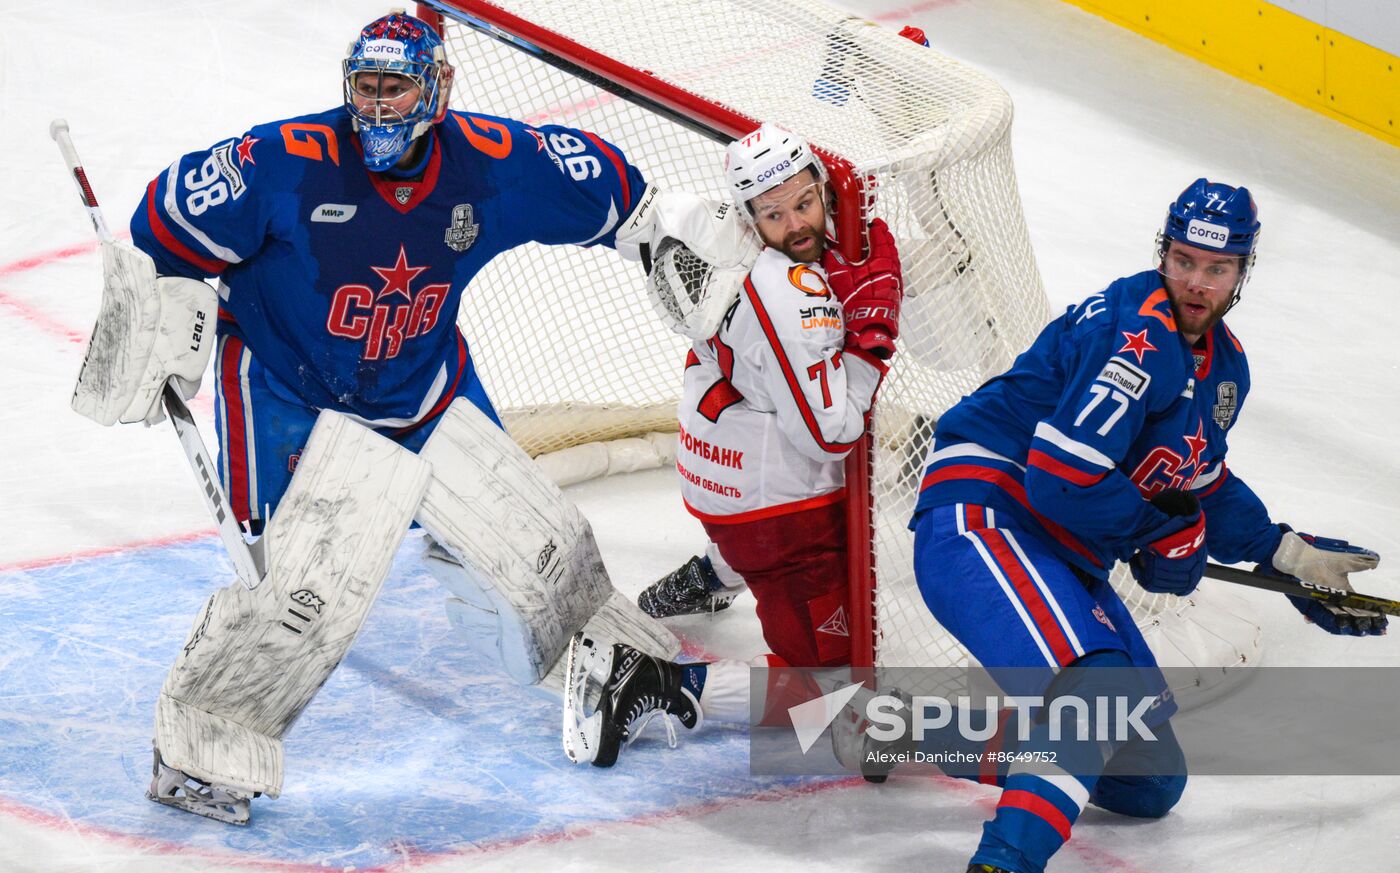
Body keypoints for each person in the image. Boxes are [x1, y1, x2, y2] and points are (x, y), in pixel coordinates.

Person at [90, 10, 749, 824]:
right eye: (364, 84)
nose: (376, 103)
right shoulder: (285, 162)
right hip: (286, 388)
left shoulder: (489, 164)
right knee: (303, 589)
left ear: (436, 87)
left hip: (423, 386)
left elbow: (608, 188)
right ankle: (201, 747)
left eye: (394, 85)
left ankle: (620, 668)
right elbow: (163, 220)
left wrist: (656, 228)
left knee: (549, 549)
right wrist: (158, 311)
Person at [904, 178, 1384, 873]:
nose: (1197, 282)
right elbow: (1061, 478)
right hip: (987, 517)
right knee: (1094, 697)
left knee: (1150, 773)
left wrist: (1285, 554)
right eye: (1184, 261)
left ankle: (897, 731)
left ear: (1242, 273)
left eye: (1217, 269)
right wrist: (1161, 534)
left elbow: (1198, 481)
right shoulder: (1132, 338)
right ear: (1163, 254)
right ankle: (1002, 862)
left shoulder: (1225, 370)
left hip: (1064, 552)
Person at [563, 122, 904, 767]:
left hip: (716, 466)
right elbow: (831, 434)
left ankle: (712, 575)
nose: (796, 223)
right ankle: (657, 681)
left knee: (768, 550)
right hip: (776, 514)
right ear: (751, 219)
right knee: (840, 699)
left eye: (804, 203)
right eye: (775, 214)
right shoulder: (789, 295)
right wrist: (869, 340)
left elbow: (642, 217)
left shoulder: (706, 226)